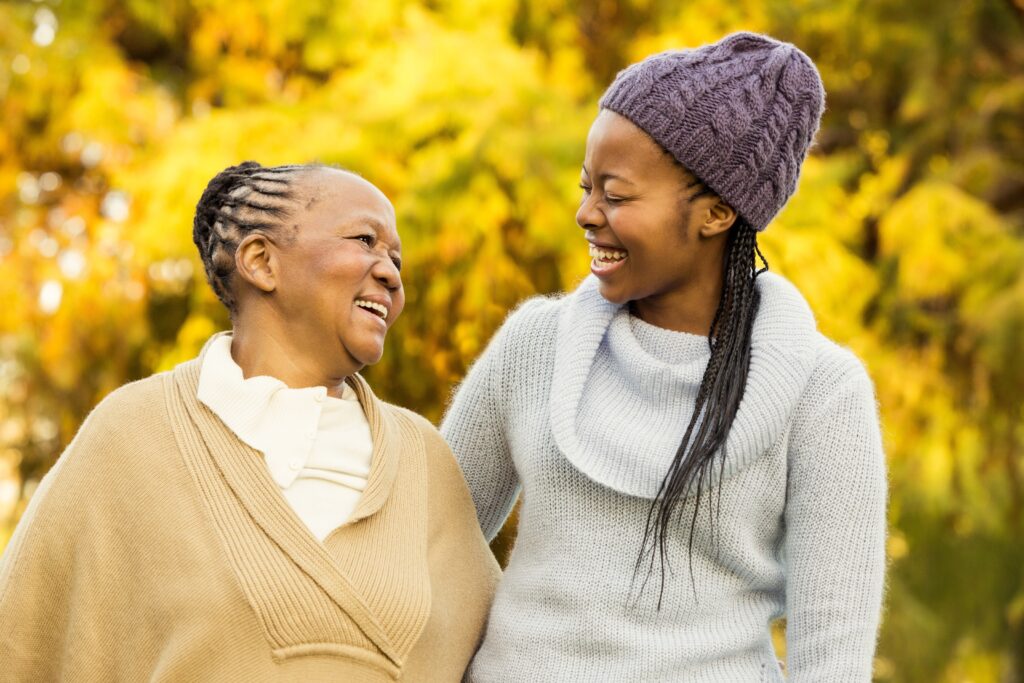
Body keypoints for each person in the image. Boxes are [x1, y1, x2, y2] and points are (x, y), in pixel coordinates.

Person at [441, 32, 886, 682]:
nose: (585, 213)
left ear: (715, 213)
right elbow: (426, 544)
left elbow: (833, 657)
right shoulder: (536, 344)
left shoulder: (823, 391)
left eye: (616, 195)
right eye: (587, 187)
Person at [0, 162, 500, 682]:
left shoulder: (422, 458)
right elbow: (20, 652)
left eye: (395, 259)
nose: (391, 273)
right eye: (365, 240)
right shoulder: (131, 435)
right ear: (262, 262)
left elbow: (515, 647)